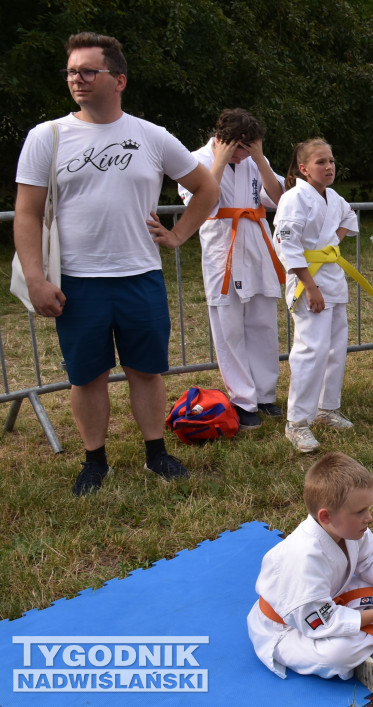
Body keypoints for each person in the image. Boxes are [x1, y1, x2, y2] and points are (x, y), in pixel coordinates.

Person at [13, 32, 220, 496]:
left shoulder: (150, 135)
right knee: (88, 375)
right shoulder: (47, 137)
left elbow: (206, 187)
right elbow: (26, 213)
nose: (77, 80)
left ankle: (156, 453)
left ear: (118, 79)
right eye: (71, 72)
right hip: (77, 282)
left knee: (147, 370)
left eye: (89, 71)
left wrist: (179, 234)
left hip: (140, 275)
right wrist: (35, 279)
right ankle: (95, 461)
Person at [247, 452, 373, 700]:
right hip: (291, 629)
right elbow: (322, 623)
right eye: (360, 511)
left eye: (368, 508)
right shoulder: (303, 558)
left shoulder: (350, 529)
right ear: (326, 516)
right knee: (340, 652)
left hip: (335, 600)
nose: (369, 518)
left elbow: (371, 559)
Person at [179, 109, 285, 430]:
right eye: (240, 147)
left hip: (255, 243)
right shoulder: (196, 159)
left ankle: (265, 395)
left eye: (250, 146)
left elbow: (280, 198)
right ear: (223, 140)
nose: (245, 153)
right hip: (222, 247)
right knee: (229, 327)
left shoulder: (254, 159)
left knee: (263, 322)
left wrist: (262, 160)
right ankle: (242, 399)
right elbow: (198, 203)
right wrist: (221, 161)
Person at [274, 139, 359, 453]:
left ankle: (326, 408)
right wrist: (310, 285)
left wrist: (330, 248)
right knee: (311, 350)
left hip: (332, 279)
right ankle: (296, 422)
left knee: (335, 347)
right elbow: (286, 243)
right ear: (303, 168)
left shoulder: (333, 197)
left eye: (332, 160)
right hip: (307, 282)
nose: (329, 167)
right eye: (321, 162)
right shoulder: (294, 198)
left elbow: (349, 220)